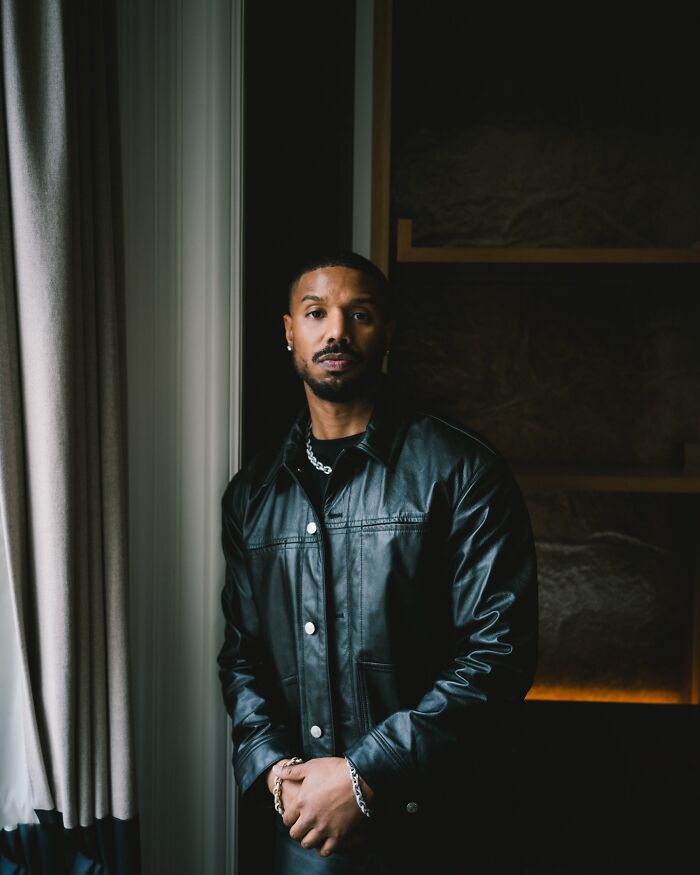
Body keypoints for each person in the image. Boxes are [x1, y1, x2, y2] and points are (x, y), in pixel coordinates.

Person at [217, 251, 538, 874]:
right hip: (301, 832)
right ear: (290, 332)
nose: (336, 330)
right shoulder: (253, 494)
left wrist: (366, 774)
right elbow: (242, 655)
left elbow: (498, 655)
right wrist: (275, 771)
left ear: (387, 331)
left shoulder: (462, 471)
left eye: (358, 314)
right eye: (316, 313)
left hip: (443, 823)